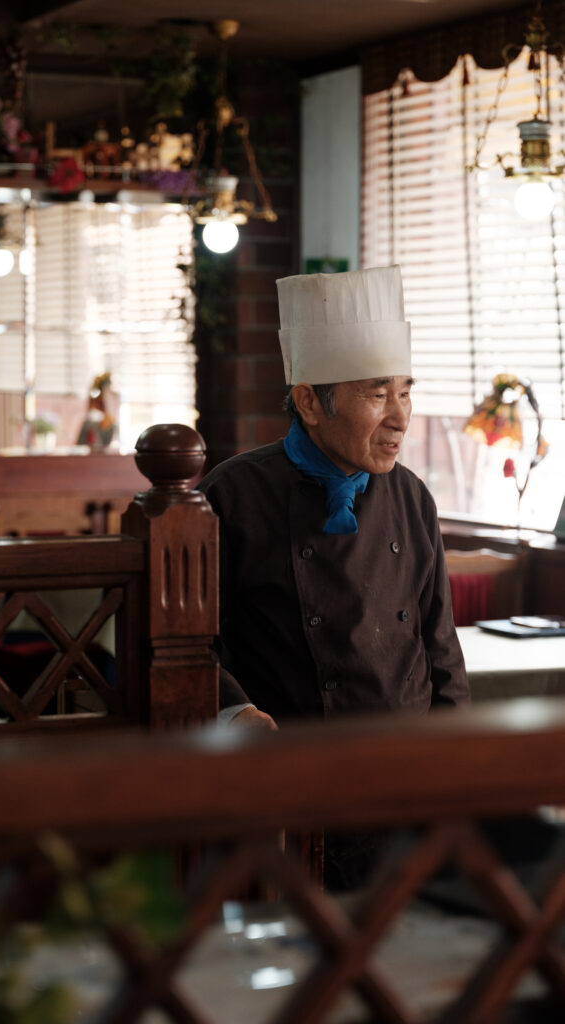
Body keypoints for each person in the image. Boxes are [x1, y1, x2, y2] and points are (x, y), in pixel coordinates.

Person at [199, 265, 470, 886]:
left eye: (405, 392)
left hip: (406, 790)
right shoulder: (231, 498)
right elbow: (188, 648)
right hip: (289, 798)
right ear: (308, 403)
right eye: (377, 395)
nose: (400, 417)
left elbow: (440, 648)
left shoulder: (412, 497)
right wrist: (234, 710)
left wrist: (458, 762)